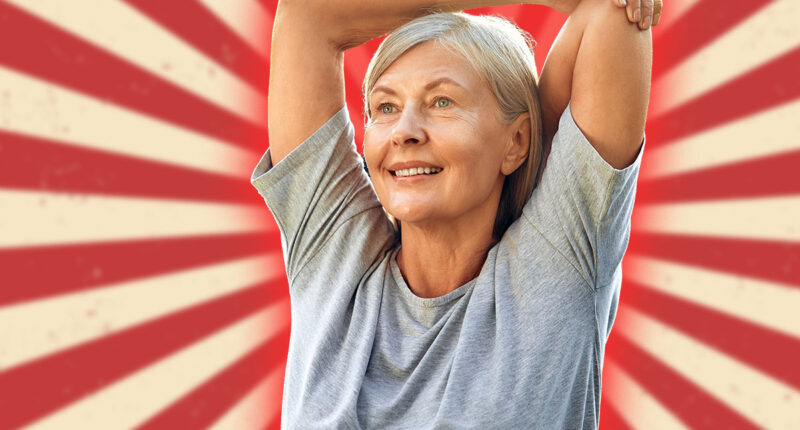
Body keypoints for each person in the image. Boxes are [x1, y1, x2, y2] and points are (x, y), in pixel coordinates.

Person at [252, 0, 658, 427]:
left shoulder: (554, 268)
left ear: (515, 142)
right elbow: (306, 15)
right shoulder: (335, 256)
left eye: (442, 102)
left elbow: (614, 11)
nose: (405, 131)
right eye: (385, 107)